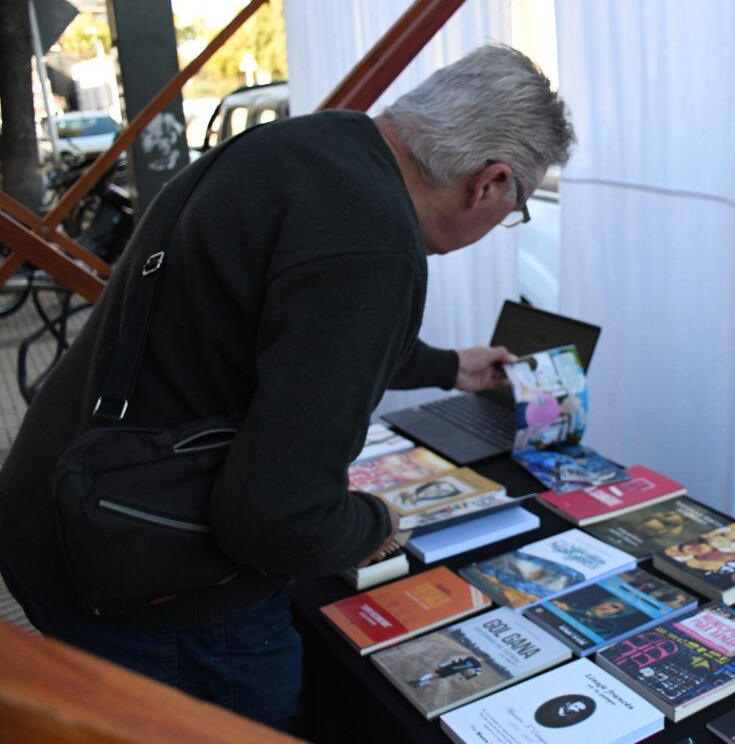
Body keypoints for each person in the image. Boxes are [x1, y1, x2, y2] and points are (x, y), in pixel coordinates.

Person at [0, 44, 574, 733]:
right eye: (516, 209)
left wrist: (449, 366)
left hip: (64, 501)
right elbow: (275, 517)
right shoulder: (375, 245)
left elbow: (290, 333)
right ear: (489, 182)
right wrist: (376, 522)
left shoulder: (312, 144)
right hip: (148, 574)